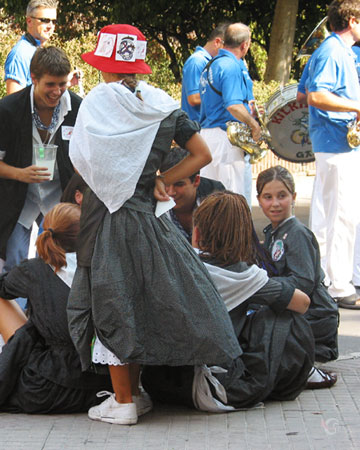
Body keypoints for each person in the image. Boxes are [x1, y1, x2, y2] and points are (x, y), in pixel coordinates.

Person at [67, 24, 241, 425]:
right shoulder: (161, 105)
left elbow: (83, 162)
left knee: (111, 304)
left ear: (104, 65)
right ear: (137, 65)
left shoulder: (97, 101)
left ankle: (123, 400)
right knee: (140, 301)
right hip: (150, 217)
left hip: (106, 219)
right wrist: (162, 177)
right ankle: (136, 394)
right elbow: (201, 155)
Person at [142, 192, 315, 411]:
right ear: (243, 236)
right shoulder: (245, 276)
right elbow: (303, 303)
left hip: (160, 383)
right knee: (284, 317)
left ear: (197, 231)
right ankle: (301, 378)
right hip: (216, 388)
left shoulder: (178, 264)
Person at [0, 203, 111, 414]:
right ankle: (2, 363)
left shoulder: (34, 270)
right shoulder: (104, 264)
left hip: (47, 387)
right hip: (103, 382)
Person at [0, 47, 79, 297]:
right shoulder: (8, 109)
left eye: (62, 84)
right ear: (33, 78)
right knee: (11, 264)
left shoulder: (76, 107)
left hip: (58, 196)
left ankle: (52, 321)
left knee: (62, 262)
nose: (57, 92)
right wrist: (20, 174)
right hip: (16, 196)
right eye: (50, 84)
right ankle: (8, 327)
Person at [305, 0, 360, 307]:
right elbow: (315, 95)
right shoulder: (334, 51)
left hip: (336, 142)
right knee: (342, 216)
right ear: (352, 20)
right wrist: (356, 106)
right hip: (336, 143)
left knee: (335, 215)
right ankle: (339, 286)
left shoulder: (334, 50)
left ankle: (328, 280)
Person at [258, 166, 340, 367]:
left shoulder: (297, 233)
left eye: (282, 196)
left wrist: (262, 285)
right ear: (259, 200)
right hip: (296, 312)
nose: (275, 203)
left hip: (315, 316)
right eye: (268, 197)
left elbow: (303, 282)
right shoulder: (273, 232)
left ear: (293, 196)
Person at [199, 23, 260, 203]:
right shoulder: (231, 66)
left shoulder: (211, 64)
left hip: (208, 137)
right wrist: (254, 124)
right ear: (245, 45)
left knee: (208, 201)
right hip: (226, 140)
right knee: (232, 201)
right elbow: (233, 105)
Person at [159, 146, 225, 242]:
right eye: (166, 184)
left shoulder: (216, 197)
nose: (170, 192)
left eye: (179, 184)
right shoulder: (151, 202)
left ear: (196, 181)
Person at [4, 0, 57, 95]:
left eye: (54, 21)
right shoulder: (20, 54)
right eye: (45, 20)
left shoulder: (39, 49)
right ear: (29, 21)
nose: (50, 26)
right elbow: (14, 102)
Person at [181, 23, 229, 123]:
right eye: (229, 48)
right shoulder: (197, 62)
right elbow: (193, 98)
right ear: (217, 42)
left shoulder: (213, 63)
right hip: (197, 129)